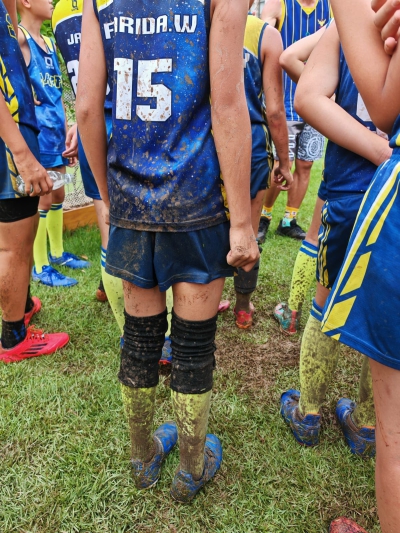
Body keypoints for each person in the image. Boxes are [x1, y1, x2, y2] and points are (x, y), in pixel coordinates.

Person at [77, 0, 259, 502]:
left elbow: (87, 107)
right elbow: (227, 104)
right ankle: (190, 469)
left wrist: (110, 198)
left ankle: (142, 458)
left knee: (139, 341)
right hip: (196, 200)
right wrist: (242, 223)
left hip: (130, 199)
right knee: (194, 346)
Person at [279, 21, 391, 460]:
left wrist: (362, 137)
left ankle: (308, 413)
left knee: (324, 305)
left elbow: (305, 88)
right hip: (393, 195)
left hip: (349, 191)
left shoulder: (348, 23)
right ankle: (366, 423)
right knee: (384, 312)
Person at [317, 0, 400, 530]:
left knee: (396, 431)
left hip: (364, 195)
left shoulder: (340, 23)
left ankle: (310, 408)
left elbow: (383, 105)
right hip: (359, 194)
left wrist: (374, 146)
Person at [0, 0, 69, 362]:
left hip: (19, 129)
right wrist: (22, 153)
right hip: (9, 137)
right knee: (12, 244)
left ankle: (22, 305)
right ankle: (13, 338)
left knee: (23, 232)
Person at [51, 0, 124, 328]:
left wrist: (80, 124)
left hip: (90, 126)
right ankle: (137, 320)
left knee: (107, 225)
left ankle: (112, 298)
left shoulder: (59, 12)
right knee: (142, 230)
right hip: (126, 121)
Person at [221, 5, 292, 329]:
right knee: (247, 229)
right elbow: (275, 111)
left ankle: (203, 303)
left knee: (206, 227)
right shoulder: (266, 35)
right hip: (249, 143)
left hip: (206, 141)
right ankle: (243, 307)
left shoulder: (200, 22)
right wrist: (284, 161)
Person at [17, 0, 90, 288]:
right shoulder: (19, 37)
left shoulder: (48, 41)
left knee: (59, 194)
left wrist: (66, 128)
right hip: (38, 135)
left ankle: (57, 253)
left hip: (57, 132)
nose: (51, 1)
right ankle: (40, 266)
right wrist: (18, 88)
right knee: (43, 199)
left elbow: (57, 92)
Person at [257, 0, 329, 241]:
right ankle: (264, 216)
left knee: (306, 164)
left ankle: (289, 220)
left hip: (316, 105)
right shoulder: (279, 4)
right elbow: (262, 38)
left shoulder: (329, 7)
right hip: (284, 102)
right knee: (279, 163)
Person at [274, 27, 330, 334]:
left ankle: (293, 313)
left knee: (316, 237)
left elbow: (289, 57)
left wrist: (324, 95)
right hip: (387, 162)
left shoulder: (345, 24)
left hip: (348, 163)